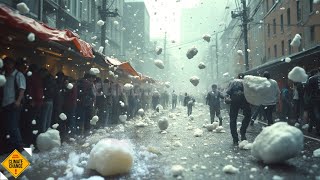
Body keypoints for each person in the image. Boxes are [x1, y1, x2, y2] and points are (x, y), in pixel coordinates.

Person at [0, 57, 26, 153]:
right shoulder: (4, 75)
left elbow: (22, 89)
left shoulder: (18, 75)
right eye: (6, 63)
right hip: (5, 104)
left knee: (13, 126)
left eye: (9, 63)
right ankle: (10, 147)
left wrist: (18, 101)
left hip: (13, 104)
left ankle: (19, 147)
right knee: (7, 126)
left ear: (13, 64)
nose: (7, 65)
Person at [226, 73, 251, 145]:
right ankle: (242, 132)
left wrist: (228, 98)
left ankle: (235, 138)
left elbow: (227, 92)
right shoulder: (246, 82)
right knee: (248, 116)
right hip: (244, 101)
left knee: (233, 120)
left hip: (234, 101)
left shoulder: (233, 82)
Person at [303, 69, 320, 135]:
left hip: (314, 99)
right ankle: (312, 127)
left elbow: (307, 89)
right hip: (315, 99)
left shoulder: (311, 79)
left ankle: (317, 130)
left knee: (315, 114)